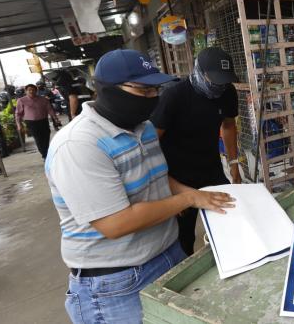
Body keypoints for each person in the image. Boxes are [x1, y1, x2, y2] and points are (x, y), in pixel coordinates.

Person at [45, 49, 236, 324]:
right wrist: (188, 200)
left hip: (168, 256)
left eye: (155, 90)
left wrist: (191, 193)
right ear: (106, 90)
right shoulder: (79, 145)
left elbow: (158, 176)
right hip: (117, 281)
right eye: (143, 91)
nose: (153, 98)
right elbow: (115, 223)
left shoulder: (143, 128)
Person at [151, 47, 241, 256]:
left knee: (232, 214)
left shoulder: (227, 92)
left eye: (224, 82)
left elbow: (228, 125)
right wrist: (168, 187)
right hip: (177, 173)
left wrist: (234, 163)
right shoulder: (174, 96)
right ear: (199, 72)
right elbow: (151, 143)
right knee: (184, 235)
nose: (220, 87)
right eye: (215, 81)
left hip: (210, 168)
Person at [15, 84, 60, 158]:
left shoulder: (43, 99)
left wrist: (55, 118)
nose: (31, 91)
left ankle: (46, 153)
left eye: (33, 90)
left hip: (43, 121)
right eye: (29, 90)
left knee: (46, 137)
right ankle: (45, 155)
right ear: (26, 91)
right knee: (38, 139)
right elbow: (18, 114)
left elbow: (50, 109)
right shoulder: (21, 100)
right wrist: (19, 125)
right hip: (31, 123)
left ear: (36, 91)